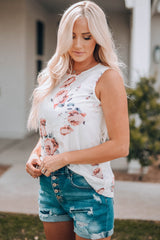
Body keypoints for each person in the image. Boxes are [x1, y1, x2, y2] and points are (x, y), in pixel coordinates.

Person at [26, 1, 130, 240]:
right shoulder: (56, 76)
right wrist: (36, 154)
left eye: (86, 37)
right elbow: (51, 131)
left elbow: (120, 145)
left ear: (98, 38)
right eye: (72, 36)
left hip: (88, 187)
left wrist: (63, 159)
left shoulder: (106, 77)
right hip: (49, 185)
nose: (78, 45)